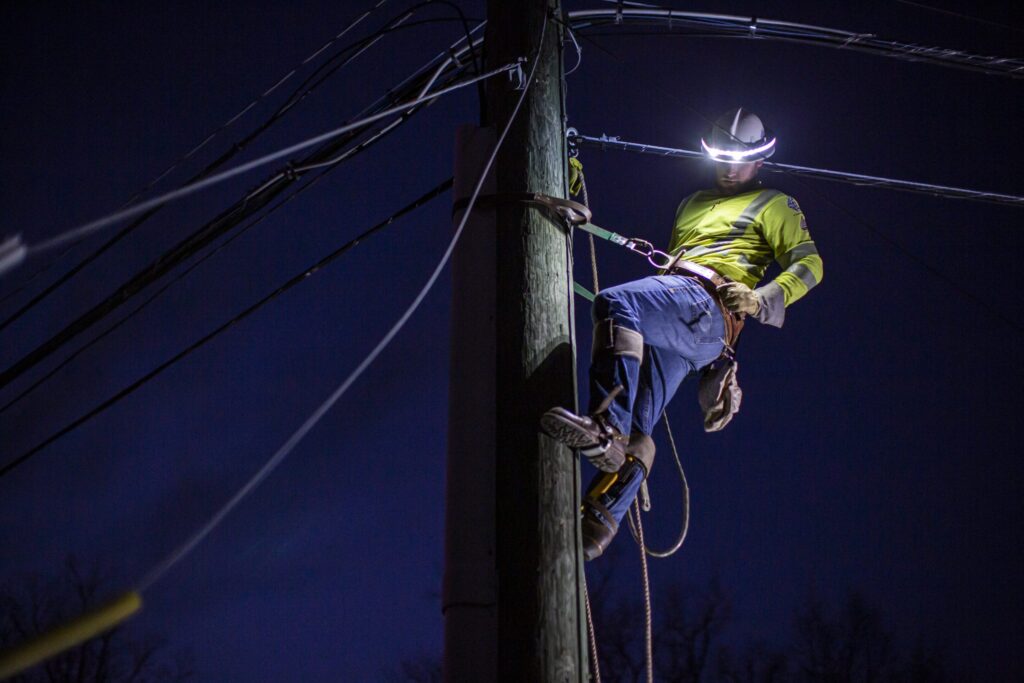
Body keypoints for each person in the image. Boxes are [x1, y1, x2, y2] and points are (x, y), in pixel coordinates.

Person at [541, 108, 823, 560]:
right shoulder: (690, 203)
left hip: (710, 306)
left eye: (740, 159)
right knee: (642, 418)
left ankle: (605, 429)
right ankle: (602, 518)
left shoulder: (774, 203)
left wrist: (759, 298)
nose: (730, 168)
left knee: (617, 304)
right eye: (723, 158)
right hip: (685, 315)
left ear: (760, 160)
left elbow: (810, 265)